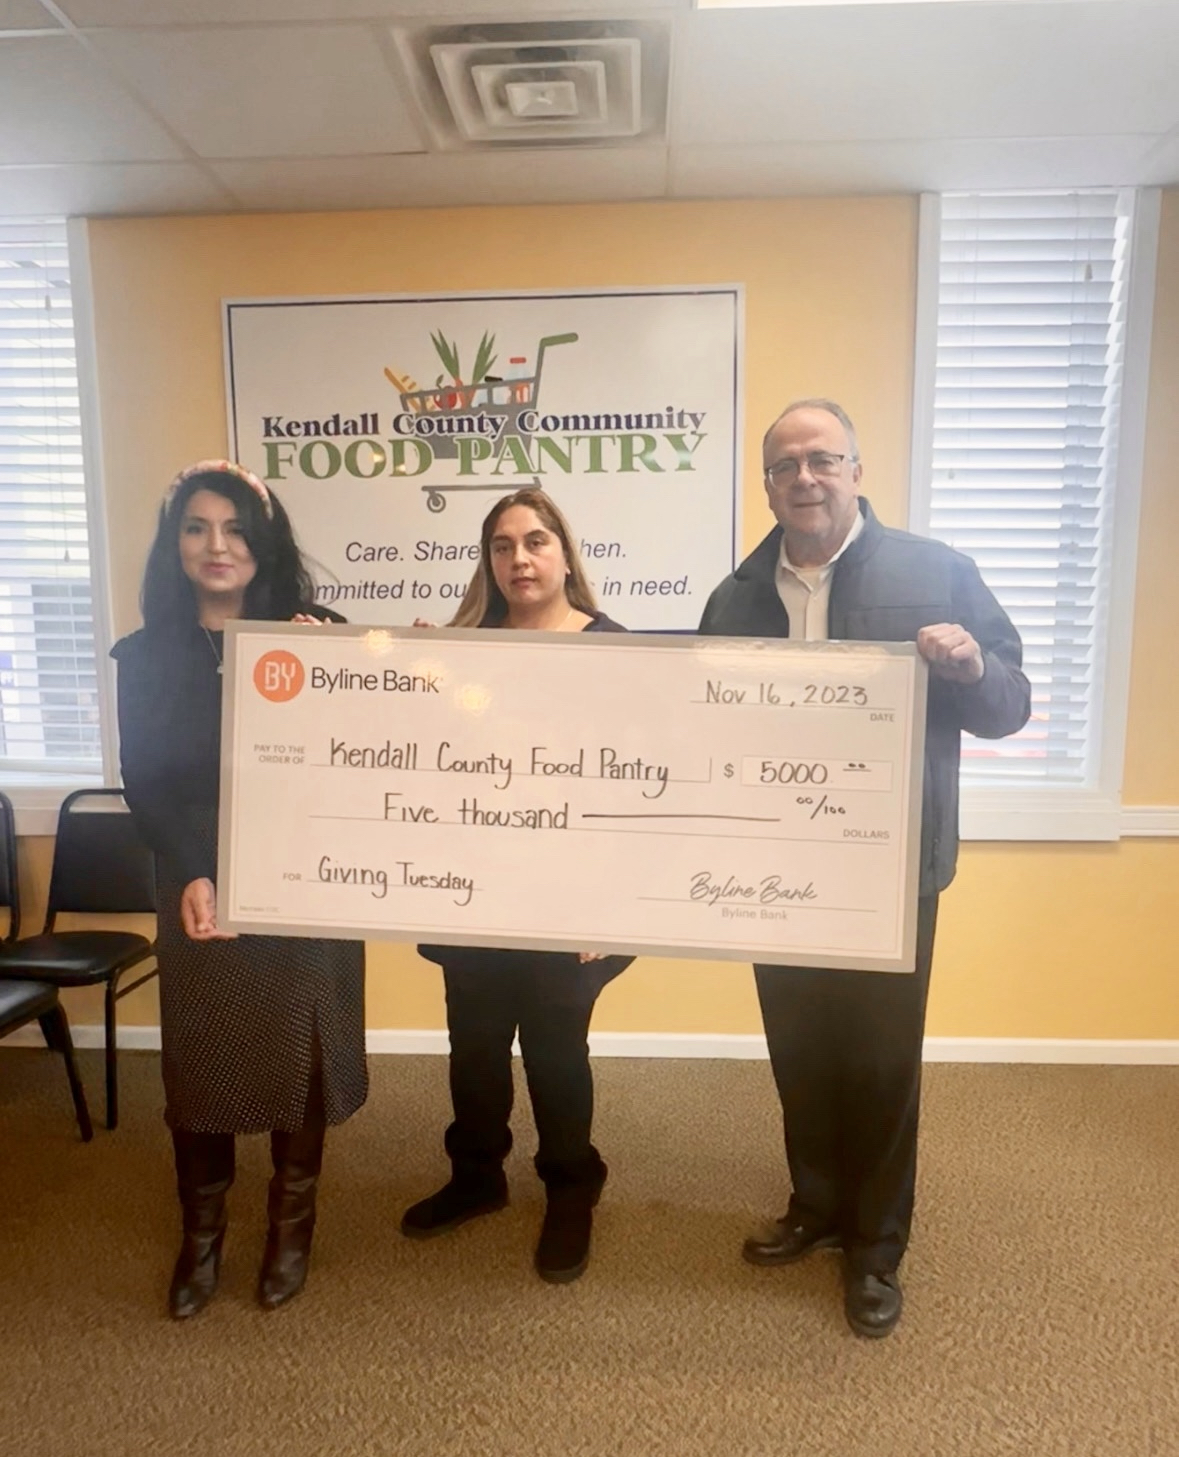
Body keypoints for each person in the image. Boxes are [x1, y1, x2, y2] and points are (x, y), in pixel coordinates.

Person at [698, 400, 1030, 1338]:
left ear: (854, 468)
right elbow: (702, 734)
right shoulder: (735, 596)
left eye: (820, 460)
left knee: (880, 1062)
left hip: (889, 876)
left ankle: (875, 1248)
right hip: (771, 874)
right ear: (765, 483)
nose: (803, 478)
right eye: (783, 465)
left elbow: (1009, 704)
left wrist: (967, 666)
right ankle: (815, 1205)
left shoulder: (936, 574)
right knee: (800, 1052)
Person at [112, 460, 367, 1319]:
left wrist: (339, 667)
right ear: (174, 543)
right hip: (196, 876)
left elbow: (369, 752)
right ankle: (203, 1236)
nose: (215, 546)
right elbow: (144, 777)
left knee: (303, 1051)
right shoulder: (145, 654)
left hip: (304, 875)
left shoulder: (317, 631)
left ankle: (291, 1228)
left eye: (234, 528)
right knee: (203, 1059)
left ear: (263, 541)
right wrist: (192, 869)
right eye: (196, 527)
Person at [401, 487, 631, 1284]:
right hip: (475, 889)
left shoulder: (617, 651)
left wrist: (613, 899)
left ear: (564, 552)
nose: (519, 559)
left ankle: (570, 1185)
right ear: (487, 561)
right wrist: (415, 678)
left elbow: (642, 782)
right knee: (473, 1045)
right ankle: (476, 1177)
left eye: (535, 541)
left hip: (574, 897)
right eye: (502, 546)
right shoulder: (465, 645)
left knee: (556, 1049)